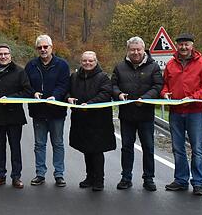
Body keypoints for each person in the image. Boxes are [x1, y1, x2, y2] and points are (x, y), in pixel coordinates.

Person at [160, 33, 202, 195]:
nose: (183, 47)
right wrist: (165, 94)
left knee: (197, 148)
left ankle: (198, 182)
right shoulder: (170, 64)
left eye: (186, 45)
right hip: (175, 111)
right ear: (177, 46)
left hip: (195, 111)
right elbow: (165, 85)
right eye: (181, 45)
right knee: (178, 147)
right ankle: (181, 180)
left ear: (192, 46)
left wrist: (192, 97)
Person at [111, 36, 163, 191]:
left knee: (148, 147)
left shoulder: (153, 67)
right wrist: (118, 94)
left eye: (138, 49)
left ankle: (149, 178)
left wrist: (146, 98)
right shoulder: (120, 67)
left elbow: (158, 85)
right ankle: (126, 177)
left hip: (146, 114)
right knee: (126, 147)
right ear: (128, 50)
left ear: (143, 49)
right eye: (132, 49)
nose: (135, 52)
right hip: (127, 114)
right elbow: (112, 85)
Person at [0, 44, 34, 189]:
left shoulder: (19, 71)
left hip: (14, 116)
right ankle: (0, 176)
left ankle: (16, 177)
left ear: (10, 55)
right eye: (0, 54)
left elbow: (27, 90)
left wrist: (10, 98)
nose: (3, 56)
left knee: (15, 147)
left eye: (6, 54)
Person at [24, 34, 70, 187]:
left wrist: (55, 96)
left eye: (45, 47)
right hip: (38, 112)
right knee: (39, 144)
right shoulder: (30, 65)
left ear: (51, 47)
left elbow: (64, 85)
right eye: (40, 47)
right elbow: (26, 84)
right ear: (37, 49)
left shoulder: (62, 65)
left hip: (56, 112)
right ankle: (40, 174)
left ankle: (59, 174)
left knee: (58, 143)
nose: (43, 50)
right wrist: (33, 93)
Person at [67, 51, 115, 191]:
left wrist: (90, 103)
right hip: (81, 119)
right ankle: (89, 177)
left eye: (91, 61)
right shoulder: (75, 76)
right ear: (81, 62)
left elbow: (106, 94)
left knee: (97, 151)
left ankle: (99, 180)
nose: (87, 63)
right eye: (85, 61)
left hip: (98, 121)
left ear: (96, 62)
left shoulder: (103, 77)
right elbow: (67, 91)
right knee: (86, 150)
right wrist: (68, 98)